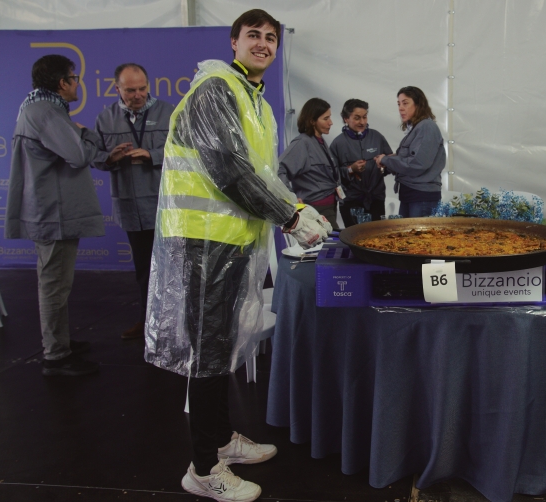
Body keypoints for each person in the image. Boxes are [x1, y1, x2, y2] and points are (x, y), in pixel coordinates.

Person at [143, 9, 331, 502]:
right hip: (204, 240)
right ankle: (203, 467)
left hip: (232, 240)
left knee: (221, 346)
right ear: (233, 42)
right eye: (254, 35)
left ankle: (222, 440)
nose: (264, 43)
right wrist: (290, 218)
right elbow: (227, 169)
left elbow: (261, 175)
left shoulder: (254, 99)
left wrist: (296, 206)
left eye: (271, 38)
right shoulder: (215, 91)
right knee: (209, 350)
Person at [4, 55, 104, 377]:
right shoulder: (47, 112)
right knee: (54, 285)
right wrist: (86, 134)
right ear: (63, 83)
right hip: (53, 215)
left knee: (55, 283)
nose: (77, 83)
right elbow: (77, 155)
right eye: (74, 78)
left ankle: (59, 342)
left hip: (48, 211)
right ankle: (56, 356)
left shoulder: (34, 107)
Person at [92, 63, 175, 340]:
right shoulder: (105, 119)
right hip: (131, 207)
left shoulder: (169, 112)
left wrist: (153, 155)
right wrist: (110, 158)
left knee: (171, 268)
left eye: (142, 89)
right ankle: (147, 321)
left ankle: (173, 322)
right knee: (143, 270)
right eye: (130, 90)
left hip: (166, 206)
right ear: (117, 89)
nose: (138, 95)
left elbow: (185, 152)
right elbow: (97, 159)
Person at [375, 86, 446, 218]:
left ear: (419, 104)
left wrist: (386, 160)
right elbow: (412, 157)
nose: (401, 108)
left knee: (419, 238)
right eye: (399, 104)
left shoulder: (427, 127)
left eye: (405, 103)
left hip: (421, 197)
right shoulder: (417, 128)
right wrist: (392, 160)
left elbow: (417, 164)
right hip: (411, 194)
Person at [277, 97, 341, 229]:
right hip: (316, 209)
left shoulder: (319, 141)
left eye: (330, 117)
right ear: (312, 121)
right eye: (326, 118)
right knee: (330, 244)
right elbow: (279, 169)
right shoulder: (302, 143)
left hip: (330, 205)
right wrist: (290, 197)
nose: (331, 122)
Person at [329, 98, 393, 225]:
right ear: (346, 118)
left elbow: (391, 164)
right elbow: (332, 175)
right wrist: (350, 169)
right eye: (357, 118)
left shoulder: (377, 137)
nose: (362, 122)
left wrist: (384, 164)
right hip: (351, 201)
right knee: (354, 240)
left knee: (376, 239)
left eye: (365, 117)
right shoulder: (337, 143)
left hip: (376, 199)